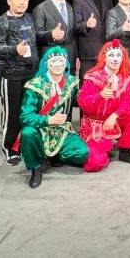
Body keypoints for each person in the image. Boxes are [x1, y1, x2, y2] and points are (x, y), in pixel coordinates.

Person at [19, 47, 88, 188]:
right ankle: (36, 167)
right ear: (46, 64)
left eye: (61, 60)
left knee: (83, 153)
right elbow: (25, 117)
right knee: (27, 133)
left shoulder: (71, 82)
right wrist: (48, 120)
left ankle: (54, 155)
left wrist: (97, 92)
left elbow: (80, 102)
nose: (58, 64)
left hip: (62, 131)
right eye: (54, 61)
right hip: (40, 130)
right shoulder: (34, 85)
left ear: (66, 63)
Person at [77, 40, 130, 172]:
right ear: (105, 58)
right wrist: (99, 96)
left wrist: (114, 116)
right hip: (95, 124)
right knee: (94, 164)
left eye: (118, 56)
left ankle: (124, 151)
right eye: (111, 55)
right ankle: (102, 147)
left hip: (114, 120)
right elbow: (82, 103)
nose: (115, 59)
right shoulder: (93, 77)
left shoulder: (125, 78)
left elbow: (128, 102)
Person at [0, 0, 38, 166]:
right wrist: (15, 50)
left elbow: (35, 39)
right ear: (9, 1)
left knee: (29, 111)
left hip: (32, 73)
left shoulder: (29, 17)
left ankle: (26, 144)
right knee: (12, 113)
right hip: (12, 74)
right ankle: (9, 147)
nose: (22, 2)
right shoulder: (1, 21)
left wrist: (51, 35)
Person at [73, 0, 114, 81]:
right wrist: (86, 24)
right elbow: (75, 26)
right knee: (89, 86)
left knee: (106, 86)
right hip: (88, 54)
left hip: (107, 52)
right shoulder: (78, 1)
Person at [33, 0, 77, 74]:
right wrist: (51, 34)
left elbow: (73, 35)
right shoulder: (41, 8)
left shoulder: (70, 7)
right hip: (51, 60)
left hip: (69, 59)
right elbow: (35, 35)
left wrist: (76, 56)